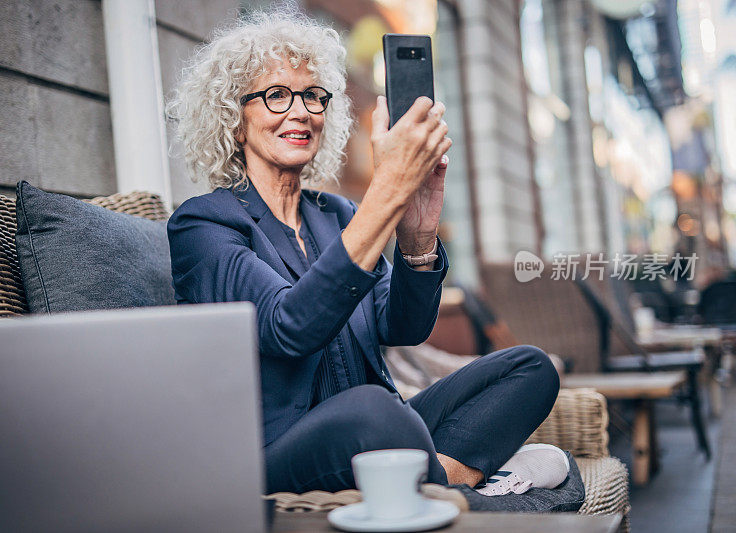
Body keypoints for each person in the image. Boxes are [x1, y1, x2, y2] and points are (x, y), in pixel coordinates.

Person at [166, 7, 580, 509]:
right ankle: (479, 491)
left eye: (313, 96)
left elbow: (401, 326)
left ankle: (445, 485)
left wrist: (417, 234)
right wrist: (388, 190)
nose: (301, 111)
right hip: (278, 450)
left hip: (384, 429)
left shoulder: (338, 214)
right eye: (276, 95)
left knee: (530, 367)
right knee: (371, 409)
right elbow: (288, 326)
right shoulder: (204, 224)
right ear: (234, 120)